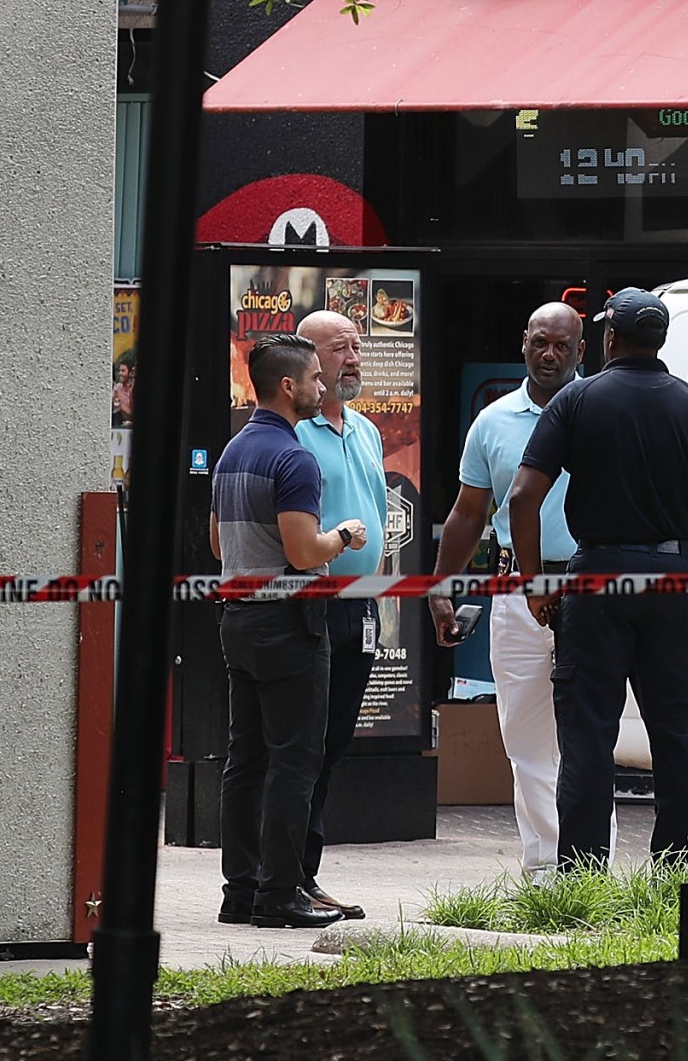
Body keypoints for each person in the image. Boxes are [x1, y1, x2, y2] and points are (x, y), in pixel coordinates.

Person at [511, 288, 688, 870]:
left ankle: (582, 877)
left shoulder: (576, 401)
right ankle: (680, 873)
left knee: (588, 734)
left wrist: (532, 582)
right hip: (678, 579)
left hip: (598, 577)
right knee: (677, 733)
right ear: (661, 341)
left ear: (609, 338)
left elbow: (524, 497)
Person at [429, 302, 616, 873]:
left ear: (581, 351)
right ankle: (544, 871)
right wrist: (442, 584)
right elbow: (467, 512)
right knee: (523, 736)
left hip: (590, 589)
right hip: (514, 590)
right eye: (540, 341)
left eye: (562, 345)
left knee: (586, 737)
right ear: (524, 343)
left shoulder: (604, 411)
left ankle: (588, 870)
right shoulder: (493, 421)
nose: (550, 353)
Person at [207, 334, 368, 928]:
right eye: (315, 380)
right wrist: (345, 534)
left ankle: (240, 891)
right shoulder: (294, 457)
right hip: (290, 619)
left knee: (244, 760)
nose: (322, 387)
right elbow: (304, 552)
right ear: (288, 387)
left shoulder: (232, 453)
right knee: (295, 760)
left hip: (238, 618)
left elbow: (219, 543)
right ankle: (281, 895)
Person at [293, 308, 387, 920]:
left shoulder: (367, 430)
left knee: (335, 744)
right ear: (307, 361)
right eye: (339, 348)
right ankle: (290, 875)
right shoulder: (292, 435)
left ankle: (304, 873)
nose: (352, 358)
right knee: (305, 745)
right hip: (312, 607)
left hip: (363, 606)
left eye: (356, 347)